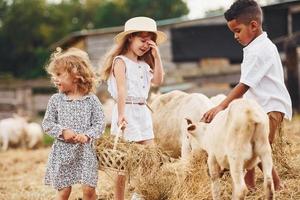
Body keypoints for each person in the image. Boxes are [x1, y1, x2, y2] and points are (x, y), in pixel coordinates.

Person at [201, 0, 292, 191]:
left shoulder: (260, 51)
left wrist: (221, 106)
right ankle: (249, 186)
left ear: (253, 25)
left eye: (237, 30)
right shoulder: (257, 47)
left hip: (269, 107)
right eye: (233, 31)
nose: (235, 36)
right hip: (260, 107)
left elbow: (244, 85)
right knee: (250, 146)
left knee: (259, 148)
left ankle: (277, 185)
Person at [99, 16, 167, 200]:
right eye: (142, 40)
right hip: (126, 110)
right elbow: (122, 89)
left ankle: (139, 194)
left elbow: (158, 81)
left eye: (149, 42)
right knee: (122, 163)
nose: (145, 45)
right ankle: (119, 198)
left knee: (151, 158)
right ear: (130, 38)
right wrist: (121, 115)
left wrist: (157, 56)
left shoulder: (144, 65)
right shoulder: (120, 61)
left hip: (142, 112)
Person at [42, 48, 106, 200]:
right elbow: (47, 123)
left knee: (89, 191)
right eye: (53, 75)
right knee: (64, 192)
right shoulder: (56, 100)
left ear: (76, 76)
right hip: (62, 153)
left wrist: (87, 135)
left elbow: (100, 123)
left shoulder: (91, 100)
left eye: (58, 74)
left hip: (85, 152)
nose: (54, 79)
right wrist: (62, 131)